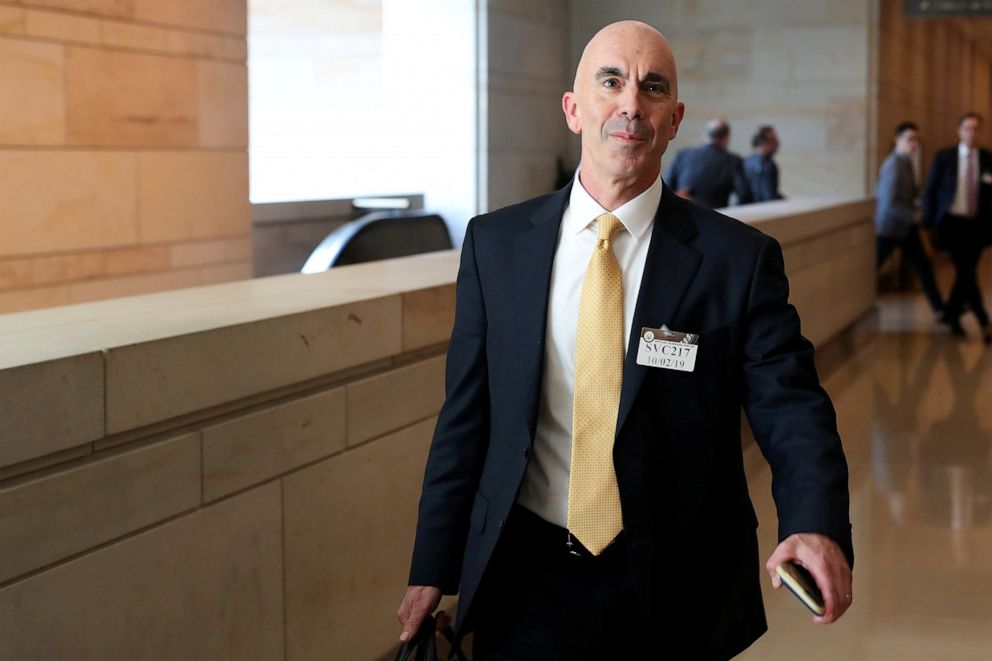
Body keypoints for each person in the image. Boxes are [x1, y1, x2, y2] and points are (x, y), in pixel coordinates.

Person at [397, 20, 853, 660]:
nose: (631, 104)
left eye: (653, 88)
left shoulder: (735, 261)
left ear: (675, 119)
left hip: (677, 586)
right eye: (610, 81)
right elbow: (465, 418)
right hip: (524, 578)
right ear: (574, 108)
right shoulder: (496, 247)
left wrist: (814, 523)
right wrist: (432, 566)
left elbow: (792, 406)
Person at [922, 112, 992, 344]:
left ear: (980, 132)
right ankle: (983, 320)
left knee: (966, 272)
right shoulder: (945, 157)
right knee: (966, 271)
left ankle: (952, 314)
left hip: (978, 226)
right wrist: (930, 222)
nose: (971, 133)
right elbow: (931, 190)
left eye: (975, 129)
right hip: (952, 224)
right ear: (959, 131)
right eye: (967, 128)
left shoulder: (988, 158)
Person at [875, 121, 944, 318]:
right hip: (890, 229)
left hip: (905, 228)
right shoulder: (893, 164)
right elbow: (889, 203)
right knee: (872, 266)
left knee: (924, 267)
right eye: (910, 139)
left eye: (916, 140)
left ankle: (940, 310)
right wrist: (914, 216)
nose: (914, 144)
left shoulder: (906, 162)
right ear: (897, 140)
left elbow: (910, 194)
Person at [666, 117, 753, 207]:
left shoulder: (682, 155)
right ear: (726, 138)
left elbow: (667, 188)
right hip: (716, 217)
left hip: (683, 215)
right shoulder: (733, 161)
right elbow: (744, 196)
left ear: (705, 135)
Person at [744, 125, 784, 202]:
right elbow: (769, 196)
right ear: (763, 141)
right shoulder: (768, 166)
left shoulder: (746, 162)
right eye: (773, 140)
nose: (777, 144)